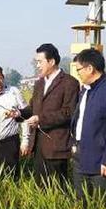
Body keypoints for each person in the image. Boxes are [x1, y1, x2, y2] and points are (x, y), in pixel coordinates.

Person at [19, 43, 79, 187]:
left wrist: (40, 119)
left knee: (57, 189)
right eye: (36, 62)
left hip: (57, 147)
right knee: (40, 189)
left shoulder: (69, 83)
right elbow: (33, 107)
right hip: (39, 146)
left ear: (51, 61)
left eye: (40, 62)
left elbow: (68, 112)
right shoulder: (39, 83)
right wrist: (18, 113)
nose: (37, 65)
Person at [70, 49, 106, 202]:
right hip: (80, 156)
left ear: (90, 68)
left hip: (101, 161)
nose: (77, 73)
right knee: (81, 202)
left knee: (103, 206)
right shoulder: (85, 90)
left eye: (78, 69)